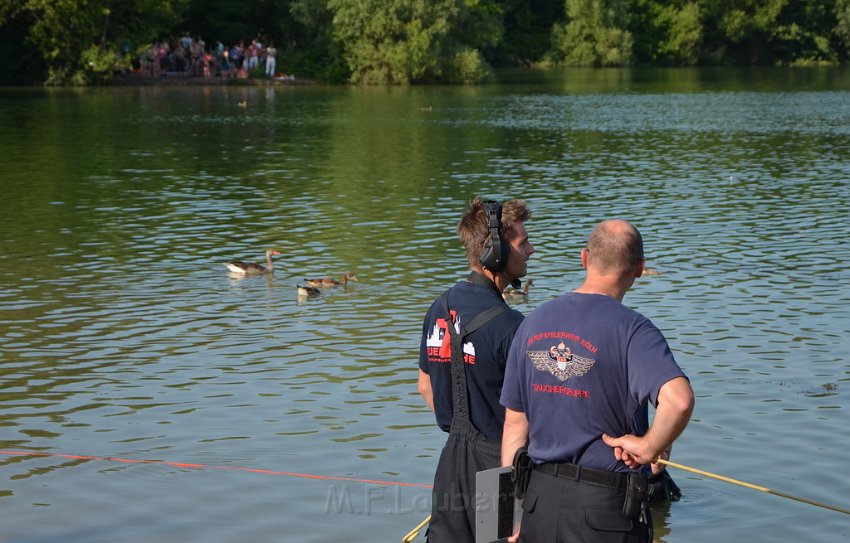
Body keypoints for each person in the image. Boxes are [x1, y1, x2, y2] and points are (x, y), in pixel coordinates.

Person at [500, 219, 694, 543]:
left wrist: (505, 518)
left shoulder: (532, 323)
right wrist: (649, 448)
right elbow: (679, 400)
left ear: (584, 258)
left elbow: (513, 427)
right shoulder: (635, 331)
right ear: (639, 269)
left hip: (539, 503)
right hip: (606, 510)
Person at [418, 196, 535, 543]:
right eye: (522, 242)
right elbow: (529, 414)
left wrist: (461, 424)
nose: (530, 249)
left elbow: (425, 386)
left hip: (450, 467)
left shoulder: (438, 308)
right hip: (498, 472)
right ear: (495, 253)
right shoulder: (512, 326)